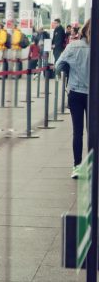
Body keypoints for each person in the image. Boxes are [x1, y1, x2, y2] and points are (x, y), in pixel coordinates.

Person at [55, 19, 90, 179]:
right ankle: (92, 166)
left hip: (75, 92)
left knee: (78, 132)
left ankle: (77, 166)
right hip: (93, 96)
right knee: (93, 132)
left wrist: (69, 69)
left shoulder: (73, 46)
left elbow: (58, 65)